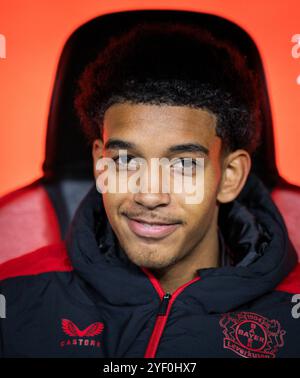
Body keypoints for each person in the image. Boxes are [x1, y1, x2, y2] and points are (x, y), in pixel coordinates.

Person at [0, 22, 299, 358]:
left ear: (229, 176)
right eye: (126, 160)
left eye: (184, 165)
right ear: (100, 163)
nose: (150, 195)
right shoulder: (11, 295)